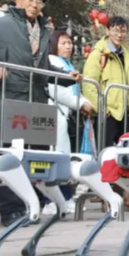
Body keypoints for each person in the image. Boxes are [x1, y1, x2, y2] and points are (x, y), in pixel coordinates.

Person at [0, 0, 80, 226]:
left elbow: (43, 70)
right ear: (17, 0)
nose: (35, 4)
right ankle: (11, 210)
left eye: (39, 1)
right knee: (6, 156)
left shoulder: (44, 31)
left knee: (33, 158)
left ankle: (31, 206)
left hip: (35, 104)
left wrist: (66, 79)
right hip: (6, 102)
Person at [45, 30, 94, 216]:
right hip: (55, 114)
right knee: (57, 158)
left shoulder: (66, 63)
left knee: (63, 158)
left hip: (64, 114)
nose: (68, 46)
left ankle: (64, 197)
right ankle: (54, 200)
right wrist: (81, 103)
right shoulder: (52, 61)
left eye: (69, 43)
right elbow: (59, 91)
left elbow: (73, 90)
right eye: (63, 43)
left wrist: (82, 102)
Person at [82, 16, 129, 148]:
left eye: (123, 31)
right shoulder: (98, 53)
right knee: (105, 154)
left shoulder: (127, 54)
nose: (119, 35)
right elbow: (89, 83)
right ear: (107, 31)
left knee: (128, 154)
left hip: (127, 112)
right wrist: (102, 108)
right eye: (115, 30)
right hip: (108, 113)